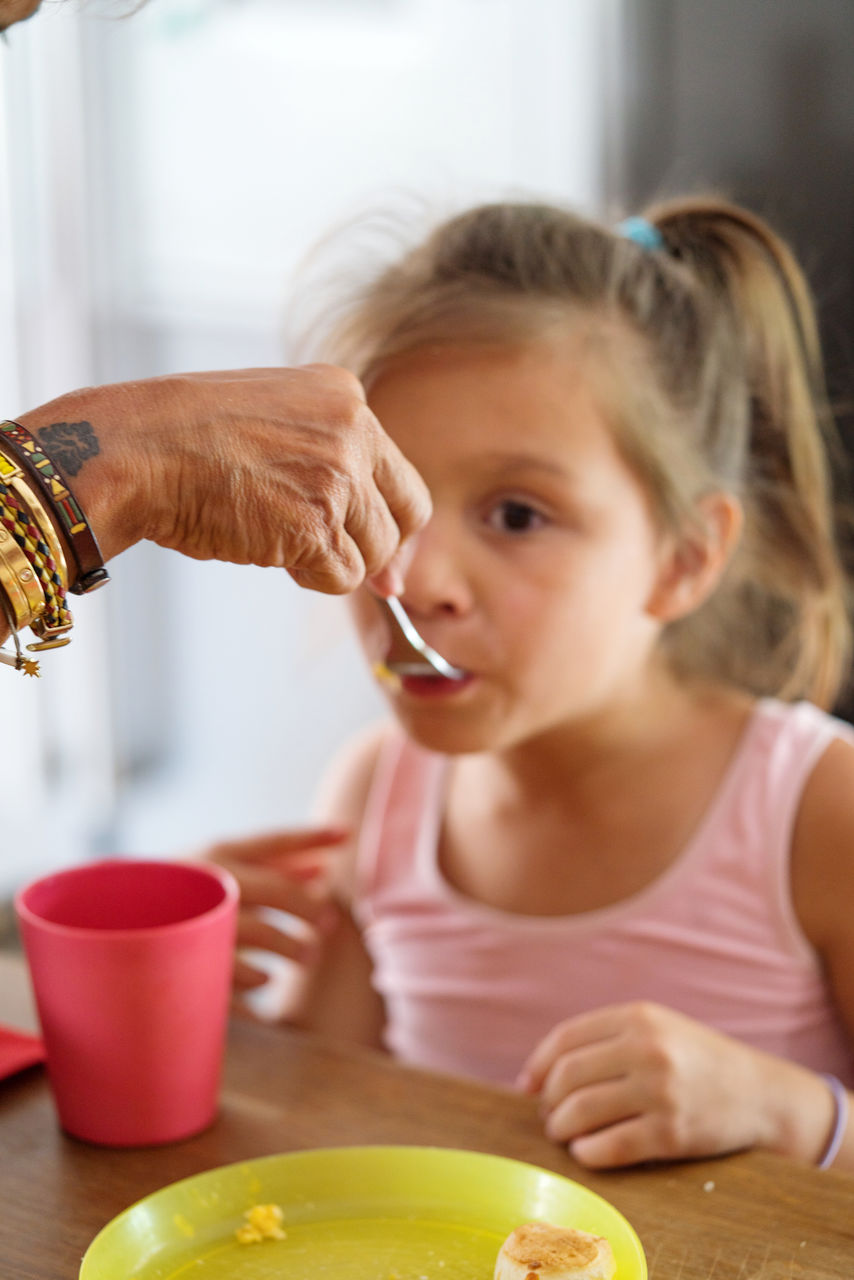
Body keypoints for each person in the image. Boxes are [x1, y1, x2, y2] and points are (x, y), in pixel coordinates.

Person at [209, 193, 854, 1175]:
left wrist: (784, 1108)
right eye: (383, 502)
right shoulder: (374, 796)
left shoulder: (813, 809)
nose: (411, 580)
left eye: (514, 515)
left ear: (682, 557)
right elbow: (316, 1113)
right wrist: (191, 977)